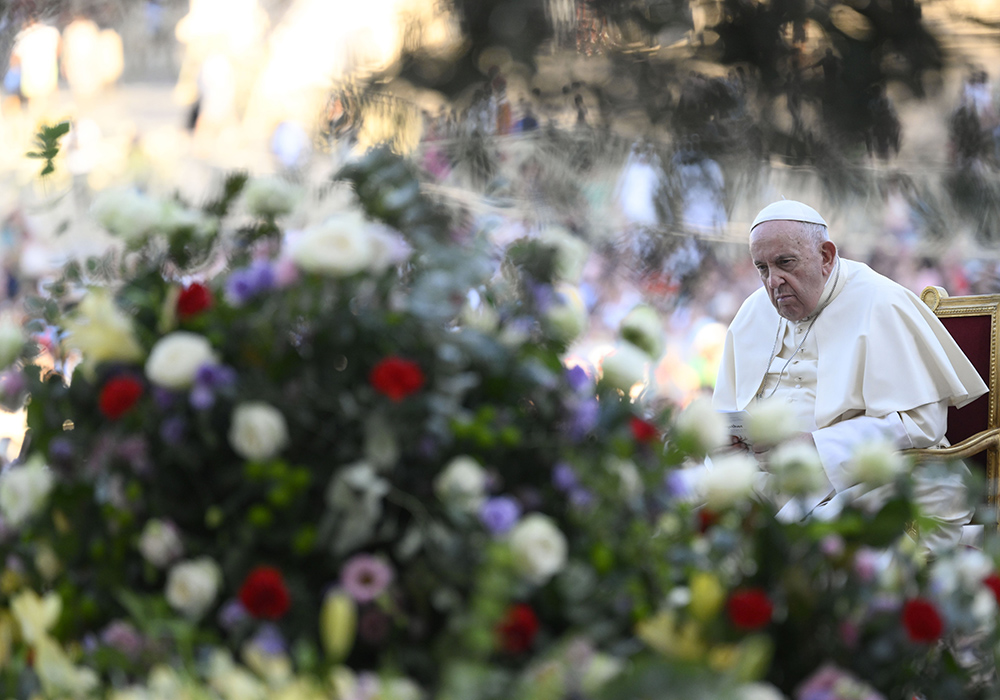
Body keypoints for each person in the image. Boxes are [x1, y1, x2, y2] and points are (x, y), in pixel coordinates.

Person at [713, 200, 988, 552]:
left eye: (785, 263)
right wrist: (730, 446)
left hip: (868, 478)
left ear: (826, 256)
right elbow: (728, 410)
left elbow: (921, 425)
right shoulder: (754, 311)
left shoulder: (881, 302)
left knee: (814, 545)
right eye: (762, 268)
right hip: (775, 480)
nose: (773, 281)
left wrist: (816, 446)